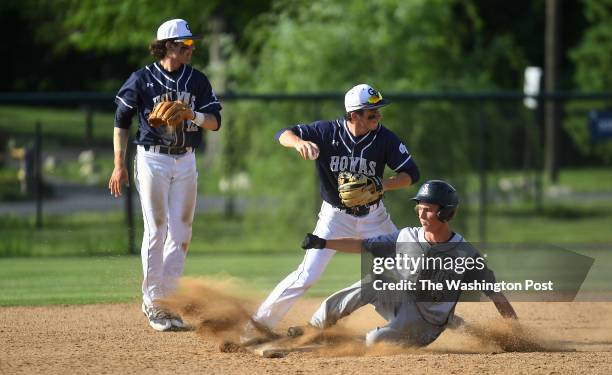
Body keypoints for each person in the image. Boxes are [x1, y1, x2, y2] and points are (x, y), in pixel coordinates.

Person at [245, 84, 420, 339]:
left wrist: (383, 184)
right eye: (372, 113)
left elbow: (411, 174)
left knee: (409, 263)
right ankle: (256, 328)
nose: (378, 116)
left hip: (375, 217)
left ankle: (423, 322)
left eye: (379, 111)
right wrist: (298, 143)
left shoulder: (385, 138)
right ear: (354, 115)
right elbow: (283, 133)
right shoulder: (327, 132)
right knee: (306, 275)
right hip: (335, 218)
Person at [300, 180, 518, 347]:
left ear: (446, 212)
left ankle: (344, 342)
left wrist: (516, 334)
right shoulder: (406, 236)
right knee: (374, 281)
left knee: (375, 341)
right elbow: (362, 245)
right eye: (419, 208)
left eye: (428, 209)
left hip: (427, 326)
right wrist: (323, 242)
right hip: (403, 302)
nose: (421, 213)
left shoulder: (466, 255)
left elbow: (495, 294)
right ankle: (314, 328)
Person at [108, 19, 222, 331]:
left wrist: (192, 114)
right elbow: (121, 121)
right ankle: (154, 301)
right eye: (185, 44)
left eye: (191, 44)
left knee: (182, 233)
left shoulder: (196, 80)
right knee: (157, 229)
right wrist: (119, 164)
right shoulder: (142, 79)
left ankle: (169, 301)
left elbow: (214, 122)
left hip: (186, 160)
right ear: (169, 45)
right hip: (152, 160)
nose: (191, 48)